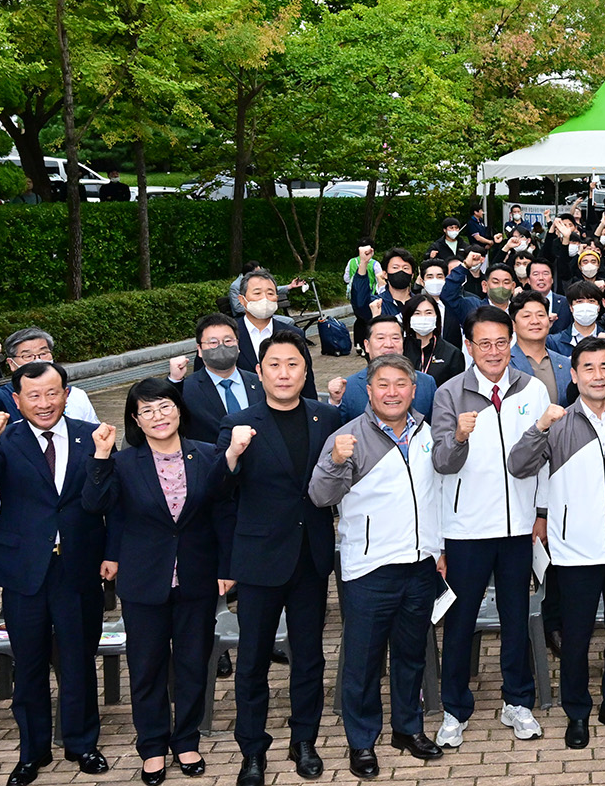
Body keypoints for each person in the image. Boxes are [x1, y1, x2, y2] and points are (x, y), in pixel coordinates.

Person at [507, 338, 605, 750]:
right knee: (575, 639)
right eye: (588, 368)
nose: (598, 375)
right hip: (574, 552)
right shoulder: (557, 422)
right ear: (574, 375)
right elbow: (518, 466)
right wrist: (539, 426)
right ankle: (576, 711)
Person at [83, 378, 233, 785]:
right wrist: (100, 456)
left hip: (197, 577)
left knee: (190, 664)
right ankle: (151, 746)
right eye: (146, 411)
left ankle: (186, 740)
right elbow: (96, 506)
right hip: (143, 578)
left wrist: (226, 566)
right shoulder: (124, 462)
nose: (158, 417)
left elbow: (221, 513)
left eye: (164, 407)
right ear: (135, 419)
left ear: (179, 410)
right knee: (146, 668)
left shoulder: (205, 454)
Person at [0, 362, 112, 785]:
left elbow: (107, 501)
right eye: (33, 395)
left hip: (78, 566)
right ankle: (32, 752)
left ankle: (82, 743)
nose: (44, 403)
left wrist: (105, 458)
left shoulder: (93, 438)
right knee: (29, 664)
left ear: (66, 393)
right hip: (23, 569)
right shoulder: (5, 439)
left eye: (52, 393)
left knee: (78, 659)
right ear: (17, 400)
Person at [309, 354, 447, 777]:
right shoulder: (347, 436)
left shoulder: (427, 432)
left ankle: (407, 729)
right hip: (370, 569)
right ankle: (362, 741)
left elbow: (436, 493)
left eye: (400, 383)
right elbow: (319, 495)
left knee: (411, 656)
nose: (392, 392)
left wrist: (438, 548)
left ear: (414, 388)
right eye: (382, 384)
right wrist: (334, 460)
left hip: (420, 563)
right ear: (368, 391)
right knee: (363, 662)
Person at [215, 331, 342, 786]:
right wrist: (231, 454)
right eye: (274, 365)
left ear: (305, 372)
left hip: (309, 557)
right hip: (258, 558)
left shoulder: (327, 418)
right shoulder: (238, 422)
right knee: (251, 660)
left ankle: (303, 739)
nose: (284, 373)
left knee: (309, 657)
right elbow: (220, 491)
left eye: (293, 364)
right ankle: (253, 748)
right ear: (260, 372)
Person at [427, 306, 549, 747]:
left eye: (501, 342)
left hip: (517, 528)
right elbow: (440, 462)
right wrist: (459, 435)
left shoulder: (532, 390)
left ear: (511, 343)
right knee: (460, 622)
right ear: (469, 346)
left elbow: (542, 460)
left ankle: (517, 702)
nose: (494, 351)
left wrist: (540, 512)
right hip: (466, 529)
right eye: (485, 343)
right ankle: (455, 709)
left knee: (516, 617)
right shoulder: (448, 394)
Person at [0, 328, 99, 423]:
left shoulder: (76, 395)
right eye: (28, 356)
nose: (38, 360)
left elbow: (94, 433)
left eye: (43, 353)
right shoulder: (5, 398)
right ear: (12, 364)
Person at [170, 314, 263, 443]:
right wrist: (174, 381)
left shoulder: (260, 382)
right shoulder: (187, 389)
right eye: (213, 342)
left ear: (238, 345)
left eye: (228, 341)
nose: (222, 346)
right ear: (200, 350)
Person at [232, 269, 317, 399]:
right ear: (242, 300)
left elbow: (307, 381)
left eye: (270, 293)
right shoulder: (229, 335)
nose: (264, 299)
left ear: (276, 298)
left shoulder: (294, 334)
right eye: (257, 293)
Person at [333, 316, 437, 420]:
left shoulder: (426, 383)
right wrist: (334, 402)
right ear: (367, 345)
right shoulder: (349, 387)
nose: (389, 344)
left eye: (395, 338)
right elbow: (336, 429)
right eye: (380, 338)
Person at [506, 291, 570, 406]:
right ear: (513, 325)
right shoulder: (504, 364)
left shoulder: (565, 364)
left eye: (541, 315)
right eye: (526, 316)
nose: (535, 321)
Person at [401, 294, 462, 386]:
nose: (423, 317)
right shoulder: (400, 348)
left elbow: (456, 389)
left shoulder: (452, 353)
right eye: (417, 313)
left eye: (428, 313)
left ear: (436, 317)